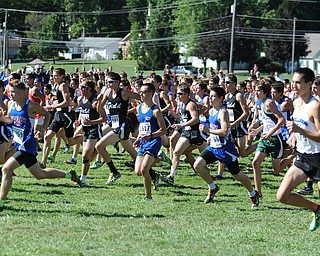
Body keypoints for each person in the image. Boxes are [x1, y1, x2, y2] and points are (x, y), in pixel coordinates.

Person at [0, 80, 81, 209]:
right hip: (18, 144)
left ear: (22, 92)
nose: (11, 94)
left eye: (14, 91)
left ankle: (1, 203)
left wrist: (43, 129)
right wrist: (2, 118)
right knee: (40, 175)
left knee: (6, 169)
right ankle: (69, 175)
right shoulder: (11, 105)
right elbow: (10, 120)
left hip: (27, 145)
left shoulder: (30, 106)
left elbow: (47, 115)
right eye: (10, 91)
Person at [193, 87, 259, 207]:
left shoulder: (223, 112)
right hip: (213, 147)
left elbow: (224, 131)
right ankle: (212, 187)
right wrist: (210, 136)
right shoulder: (212, 110)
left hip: (225, 149)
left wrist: (209, 131)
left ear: (221, 98)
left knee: (237, 174)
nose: (210, 98)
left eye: (213, 96)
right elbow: (214, 128)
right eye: (210, 96)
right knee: (198, 165)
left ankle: (252, 193)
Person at [277, 68, 320, 232]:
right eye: (293, 82)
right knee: (282, 196)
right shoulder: (295, 102)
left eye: (297, 82)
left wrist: (299, 131)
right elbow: (297, 126)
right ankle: (316, 209)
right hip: (303, 157)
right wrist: (293, 135)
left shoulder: (315, 106)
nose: (293, 85)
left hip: (318, 157)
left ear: (309, 84)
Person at [96, 72, 140, 185]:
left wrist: (145, 111)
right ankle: (154, 175)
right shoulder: (108, 92)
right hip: (114, 125)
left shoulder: (124, 93)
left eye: (110, 82)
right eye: (106, 82)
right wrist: (103, 114)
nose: (107, 84)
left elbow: (141, 98)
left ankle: (114, 172)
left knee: (99, 146)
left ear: (117, 82)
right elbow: (100, 107)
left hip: (122, 127)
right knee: (134, 155)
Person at [40, 68, 83, 168]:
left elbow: (66, 102)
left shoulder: (63, 85)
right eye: (53, 75)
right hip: (58, 115)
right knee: (47, 137)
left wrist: (52, 106)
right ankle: (43, 163)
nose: (53, 77)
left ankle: (85, 137)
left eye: (56, 75)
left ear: (62, 76)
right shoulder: (56, 85)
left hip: (66, 116)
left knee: (71, 142)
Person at [251, 80, 285, 197]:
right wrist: (257, 130)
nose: (256, 93)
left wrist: (270, 133)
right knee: (255, 163)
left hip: (275, 139)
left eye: (258, 90)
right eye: (255, 90)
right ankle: (258, 192)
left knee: (277, 170)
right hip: (265, 139)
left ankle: (293, 156)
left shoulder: (269, 103)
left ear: (265, 92)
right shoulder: (260, 103)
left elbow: (281, 120)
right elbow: (266, 122)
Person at [133, 83, 166, 200]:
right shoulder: (139, 107)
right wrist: (138, 138)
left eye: (144, 92)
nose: (141, 94)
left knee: (144, 169)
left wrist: (150, 135)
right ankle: (161, 158)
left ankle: (148, 196)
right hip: (143, 141)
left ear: (151, 93)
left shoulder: (156, 110)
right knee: (137, 171)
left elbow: (163, 130)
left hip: (154, 142)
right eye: (140, 92)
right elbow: (143, 127)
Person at [76, 80, 107, 186]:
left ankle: (82, 179)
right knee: (87, 158)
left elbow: (104, 118)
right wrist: (78, 120)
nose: (81, 89)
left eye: (83, 87)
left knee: (85, 155)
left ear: (89, 89)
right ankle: (83, 178)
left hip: (94, 130)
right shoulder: (80, 99)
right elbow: (81, 112)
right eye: (80, 86)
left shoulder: (94, 102)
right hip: (85, 131)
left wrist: (91, 122)